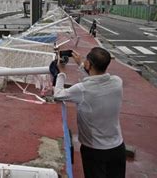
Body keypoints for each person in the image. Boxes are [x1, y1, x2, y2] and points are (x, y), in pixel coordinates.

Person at [52, 47, 125, 178]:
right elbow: (97, 80)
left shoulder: (81, 90)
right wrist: (81, 64)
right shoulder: (117, 82)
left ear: (89, 64)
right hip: (117, 147)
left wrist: (61, 73)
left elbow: (57, 95)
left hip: (94, 150)